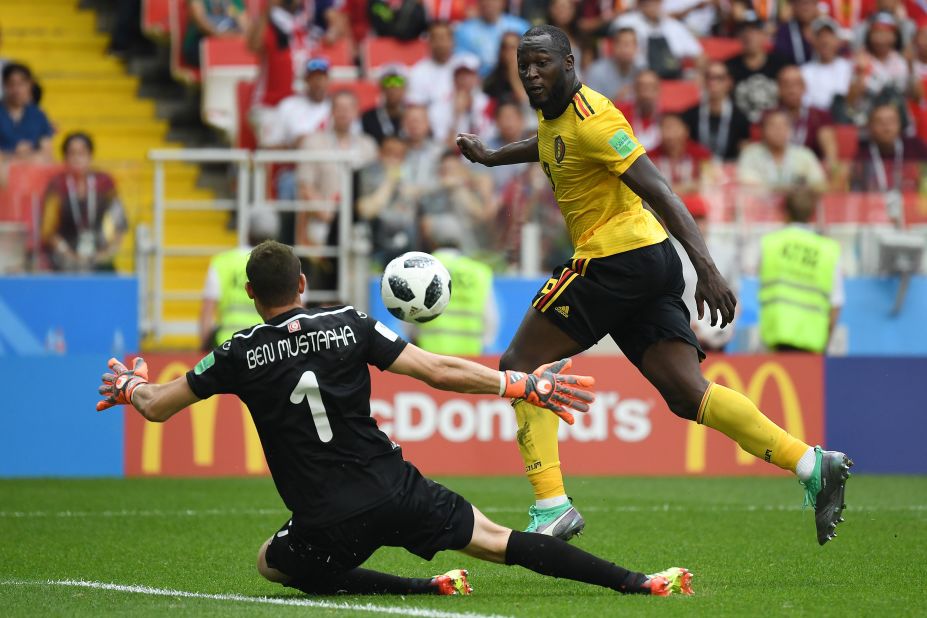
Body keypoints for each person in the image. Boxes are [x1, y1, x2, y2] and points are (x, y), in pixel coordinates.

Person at [96, 240, 694, 598]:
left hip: (326, 521)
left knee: (271, 564)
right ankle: (638, 582)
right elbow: (436, 371)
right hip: (398, 492)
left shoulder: (237, 352)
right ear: (304, 284)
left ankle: (422, 588)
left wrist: (129, 386)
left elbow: (156, 407)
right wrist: (523, 383)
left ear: (252, 293)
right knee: (503, 541)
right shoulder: (350, 323)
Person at [457, 25, 852, 546]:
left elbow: (661, 189)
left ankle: (552, 505)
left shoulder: (595, 120)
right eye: (524, 64)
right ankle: (811, 464)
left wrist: (706, 268)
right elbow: (551, 145)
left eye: (542, 63)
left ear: (569, 64)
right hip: (645, 263)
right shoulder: (555, 114)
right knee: (688, 395)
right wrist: (493, 157)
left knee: (519, 367)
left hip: (615, 259)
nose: (531, 73)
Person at [759, 187, 843, 353]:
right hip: (813, 346)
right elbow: (836, 304)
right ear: (813, 214)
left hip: (775, 342)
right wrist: (826, 342)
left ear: (786, 211)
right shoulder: (828, 250)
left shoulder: (770, 243)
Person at [40, 132, 127, 272]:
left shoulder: (105, 183)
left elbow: (119, 222)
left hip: (100, 257)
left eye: (82, 153)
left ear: (90, 156)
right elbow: (48, 230)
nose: (77, 158)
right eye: (72, 153)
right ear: (65, 158)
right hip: (63, 260)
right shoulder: (57, 185)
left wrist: (105, 254)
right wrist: (69, 255)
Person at [199, 206, 281, 351]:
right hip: (267, 348)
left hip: (227, 347)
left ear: (248, 230)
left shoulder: (222, 262)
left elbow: (207, 313)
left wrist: (204, 351)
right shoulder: (284, 264)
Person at [415, 219, 498, 355]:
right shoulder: (478, 272)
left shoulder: (421, 268)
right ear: (459, 242)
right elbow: (490, 319)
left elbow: (409, 317)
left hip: (430, 360)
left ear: (433, 241)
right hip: (470, 361)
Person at [408, 21, 471, 145]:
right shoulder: (418, 71)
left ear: (453, 41)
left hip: (468, 137)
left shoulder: (466, 65)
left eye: (444, 38)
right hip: (431, 141)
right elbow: (416, 111)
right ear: (429, 42)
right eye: (435, 38)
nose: (440, 43)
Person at [736, 109, 827, 191]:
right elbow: (748, 185)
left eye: (784, 126)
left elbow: (819, 184)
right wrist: (787, 189)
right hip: (759, 206)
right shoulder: (751, 154)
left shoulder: (804, 155)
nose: (779, 130)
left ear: (791, 130)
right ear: (763, 130)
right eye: (773, 126)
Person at [611, 0, 703, 80]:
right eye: (646, 1)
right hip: (636, 78)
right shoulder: (625, 22)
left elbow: (700, 55)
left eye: (655, 0)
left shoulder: (673, 25)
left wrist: (699, 74)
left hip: (673, 77)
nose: (651, 4)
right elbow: (618, 50)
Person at [850, 102, 927, 192]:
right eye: (880, 122)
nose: (886, 127)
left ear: (900, 124)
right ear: (870, 127)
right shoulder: (863, 154)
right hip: (875, 203)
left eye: (891, 121)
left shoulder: (916, 147)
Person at [681, 61, 751, 160]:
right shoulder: (690, 115)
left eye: (719, 78)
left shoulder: (740, 118)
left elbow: (744, 154)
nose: (712, 82)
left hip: (729, 171)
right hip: (697, 169)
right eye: (709, 77)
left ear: (729, 82)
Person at [775, 65, 839, 171]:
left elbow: (830, 150)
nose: (792, 90)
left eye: (796, 84)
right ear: (779, 89)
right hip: (778, 173)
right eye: (786, 85)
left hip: (811, 174)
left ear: (805, 87)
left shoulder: (819, 116)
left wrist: (830, 164)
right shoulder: (770, 116)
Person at [727, 11, 787, 123]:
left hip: (774, 125)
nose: (749, 35)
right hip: (741, 127)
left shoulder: (780, 63)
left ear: (764, 35)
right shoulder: (729, 67)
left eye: (754, 31)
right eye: (744, 31)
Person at [454, 0, 529, 77]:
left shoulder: (520, 27)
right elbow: (461, 63)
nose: (488, 3)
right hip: (478, 83)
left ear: (503, 2)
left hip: (515, 80)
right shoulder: (464, 30)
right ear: (478, 3)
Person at [0, 63, 53, 163]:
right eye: (11, 84)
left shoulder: (37, 115)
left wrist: (29, 156)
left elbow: (47, 150)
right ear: (4, 85)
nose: (16, 90)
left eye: (21, 84)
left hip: (31, 171)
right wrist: (13, 154)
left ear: (30, 85)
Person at [800, 16, 854, 113]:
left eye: (829, 35)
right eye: (819, 36)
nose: (825, 41)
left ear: (838, 40)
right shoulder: (804, 71)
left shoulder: (849, 67)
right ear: (813, 41)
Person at [182, 0, 249, 68]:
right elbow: (200, 21)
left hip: (229, 45)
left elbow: (246, 27)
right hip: (200, 44)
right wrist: (224, 36)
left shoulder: (235, 2)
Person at [584, 27, 640, 103]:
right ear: (613, 46)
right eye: (623, 44)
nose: (627, 49)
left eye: (631, 44)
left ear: (637, 48)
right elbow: (591, 105)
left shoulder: (640, 72)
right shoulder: (597, 71)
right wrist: (616, 100)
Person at [361, 66, 407, 144]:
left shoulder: (412, 116)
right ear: (381, 88)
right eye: (387, 82)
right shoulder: (368, 117)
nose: (393, 88)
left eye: (398, 82)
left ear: (405, 88)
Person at [772, 0, 818, 65]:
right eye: (801, 3)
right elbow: (781, 57)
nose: (805, 8)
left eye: (809, 3)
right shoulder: (784, 31)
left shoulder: (825, 28)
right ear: (793, 6)